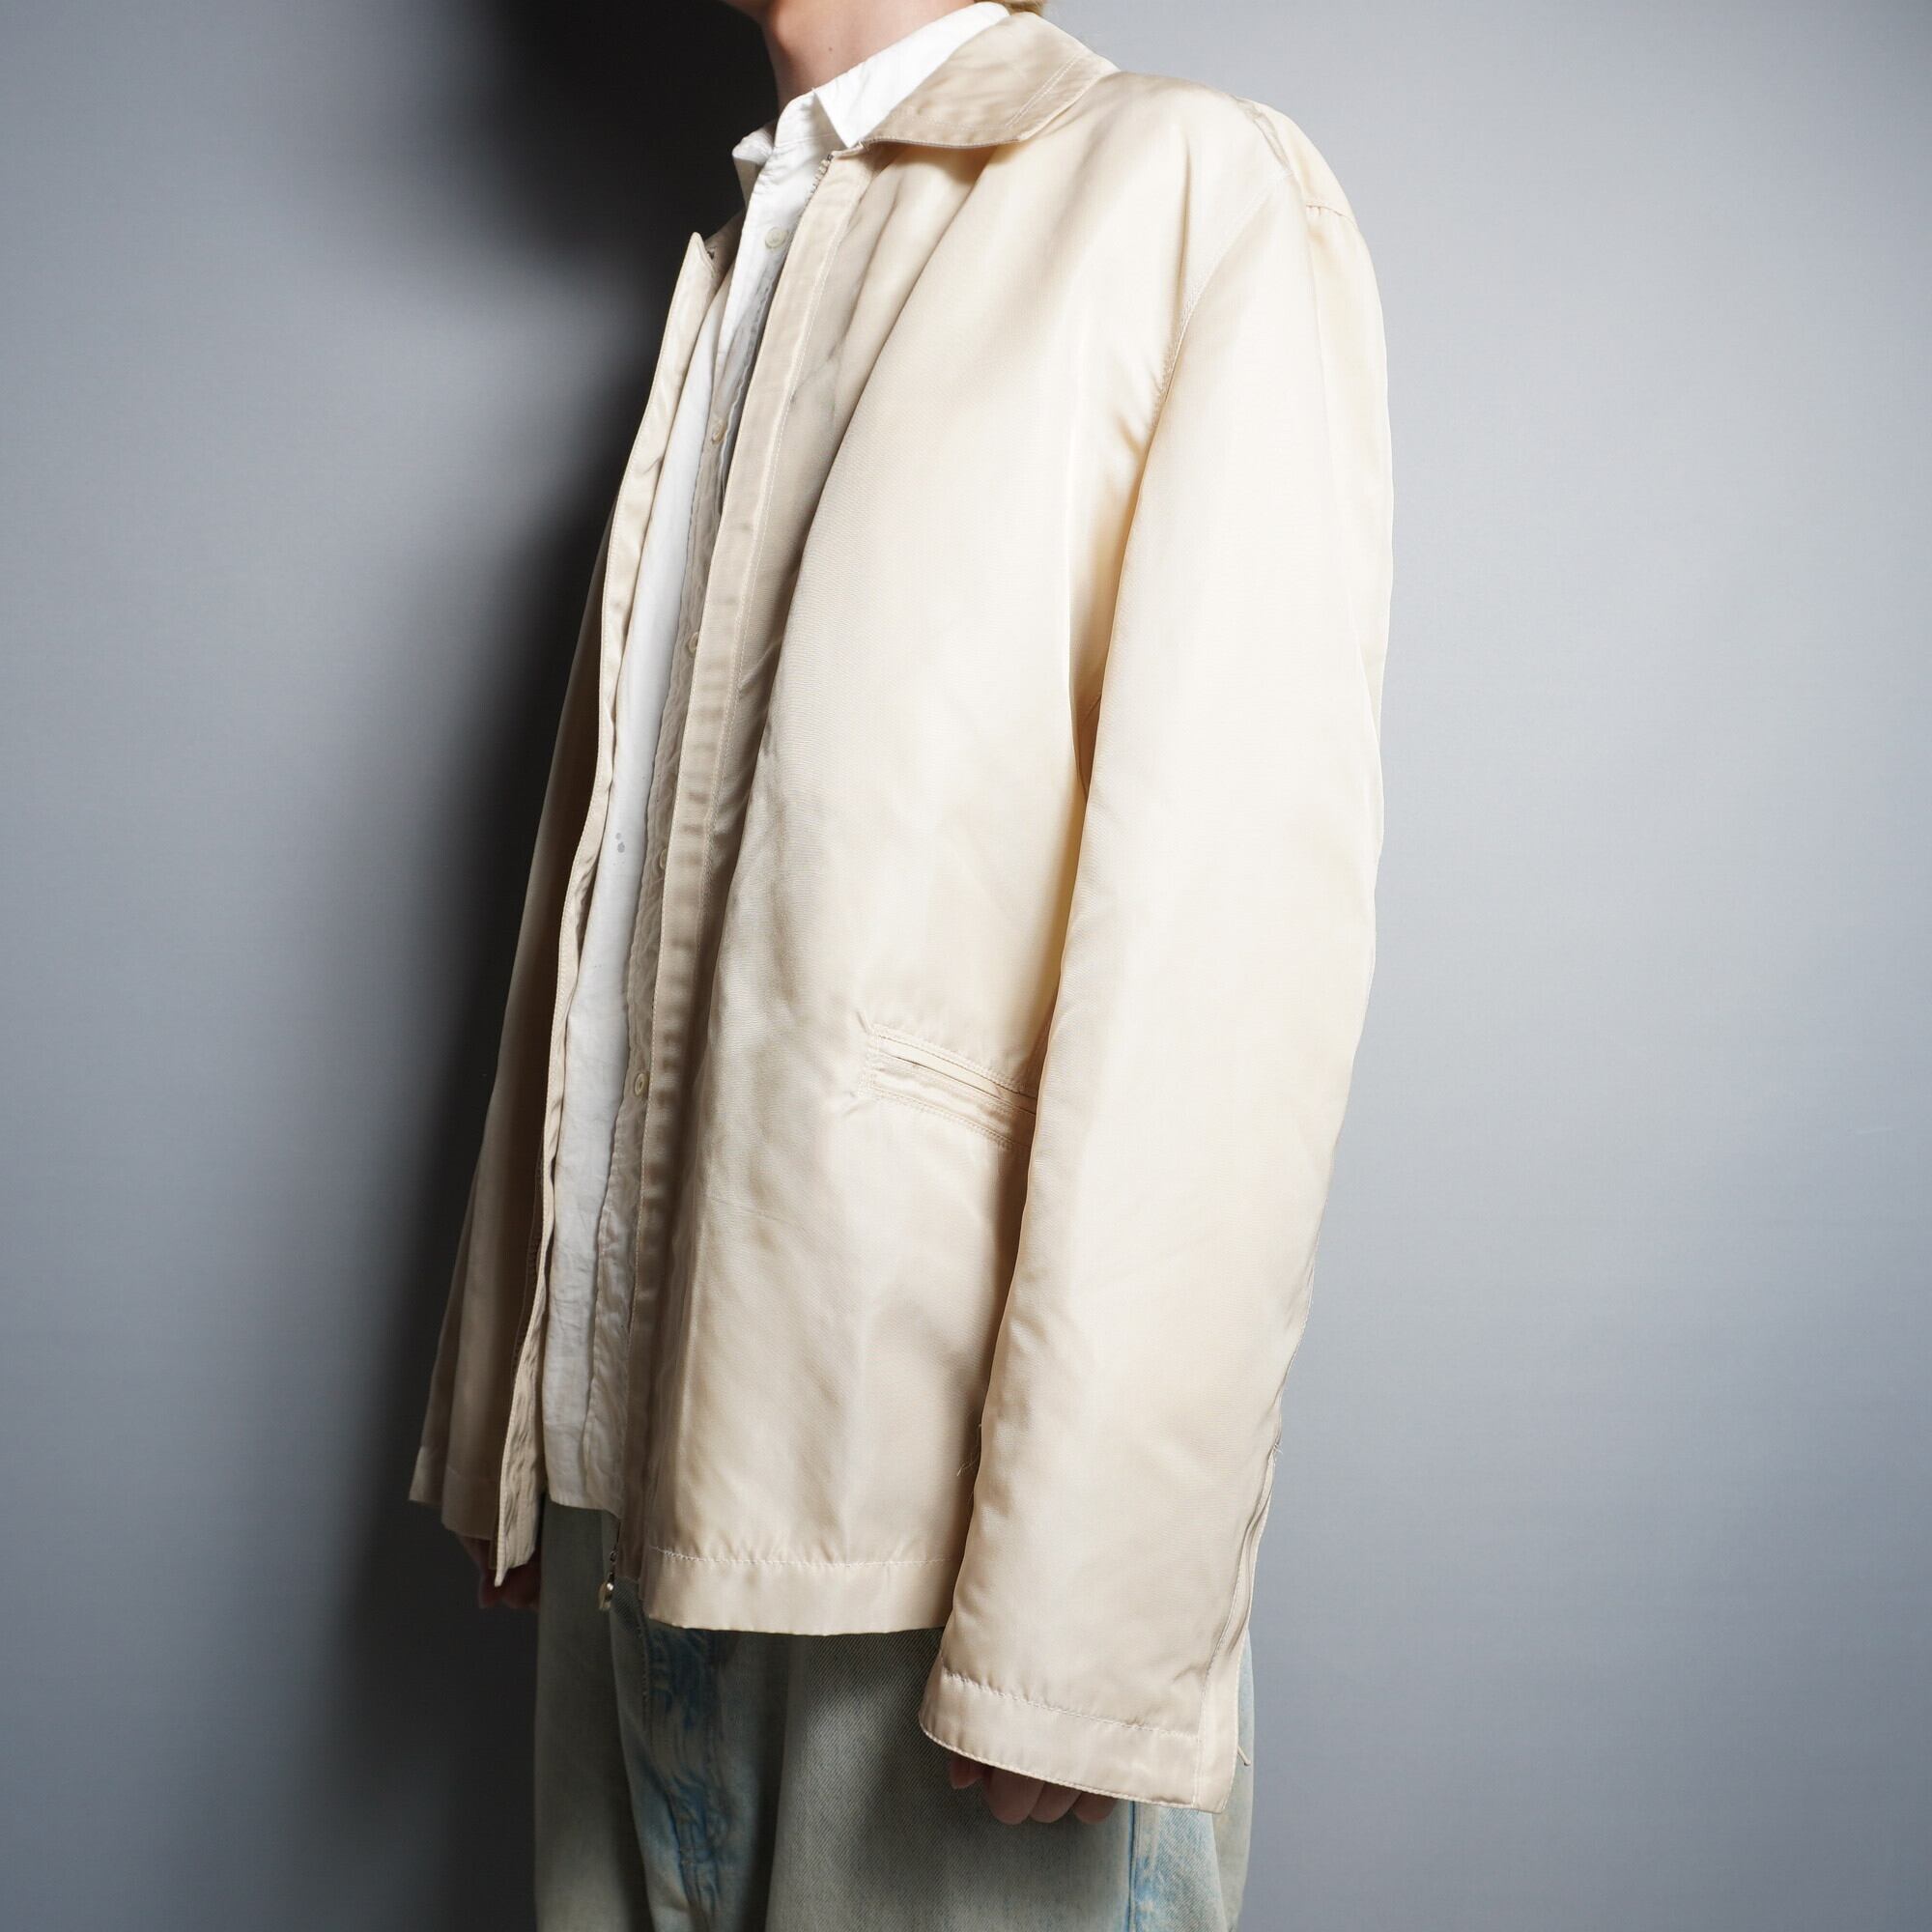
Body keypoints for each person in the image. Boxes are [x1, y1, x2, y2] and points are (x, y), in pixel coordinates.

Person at [410, 0, 1391, 1922]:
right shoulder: (756, 242)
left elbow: (1227, 958)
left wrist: (1090, 1629)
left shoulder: (1179, 190)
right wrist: (522, 1416)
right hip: (635, 1516)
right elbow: (612, 891)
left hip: (938, 1575)